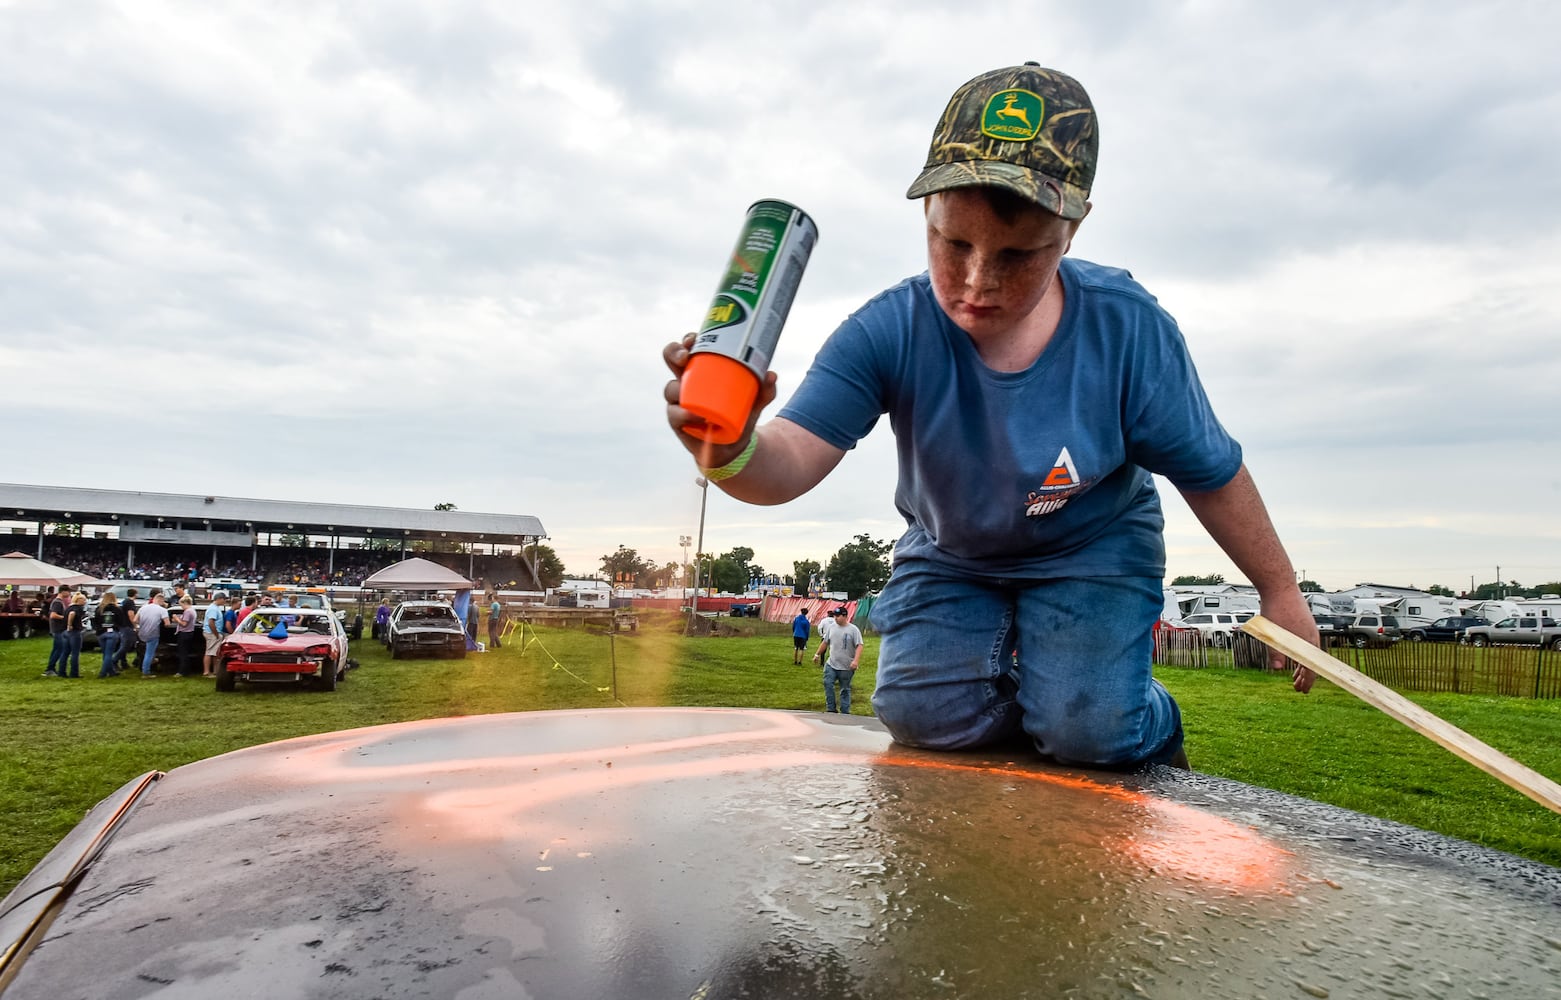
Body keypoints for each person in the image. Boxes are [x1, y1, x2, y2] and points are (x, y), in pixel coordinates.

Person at [662, 64, 1318, 771]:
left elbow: (1212, 472)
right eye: (954, 245)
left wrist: (1279, 592)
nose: (977, 281)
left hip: (1091, 548)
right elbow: (786, 463)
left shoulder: (1127, 332)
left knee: (1090, 733)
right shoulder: (889, 329)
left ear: (1069, 229)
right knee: (920, 717)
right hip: (951, 552)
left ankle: (1134, 715)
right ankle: (1040, 706)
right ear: (926, 214)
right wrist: (728, 443)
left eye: (1017, 255)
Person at [813, 607, 863, 713]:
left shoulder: (853, 630)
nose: (835, 618)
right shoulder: (832, 628)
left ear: (845, 616)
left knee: (844, 689)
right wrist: (817, 654)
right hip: (832, 663)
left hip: (846, 666)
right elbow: (825, 642)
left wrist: (855, 661)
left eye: (838, 616)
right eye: (835, 616)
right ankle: (831, 709)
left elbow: (859, 645)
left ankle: (845, 712)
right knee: (827, 683)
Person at [43, 585, 72, 678]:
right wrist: (65, 618)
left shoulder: (59, 601)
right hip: (57, 629)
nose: (69, 594)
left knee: (56, 649)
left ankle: (51, 668)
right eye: (68, 592)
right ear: (63, 591)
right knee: (59, 650)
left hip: (58, 629)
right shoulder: (57, 602)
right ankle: (50, 668)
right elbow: (53, 615)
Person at [61, 592, 89, 678]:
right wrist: (70, 624)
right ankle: (74, 673)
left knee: (65, 653)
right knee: (75, 653)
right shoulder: (78, 608)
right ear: (78, 600)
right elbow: (72, 614)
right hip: (74, 632)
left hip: (65, 632)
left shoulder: (68, 608)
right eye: (83, 600)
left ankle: (61, 671)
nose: (85, 601)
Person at [172, 596, 200, 676]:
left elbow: (184, 624)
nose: (182, 607)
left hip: (184, 633)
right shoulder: (192, 611)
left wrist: (176, 619)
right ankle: (186, 669)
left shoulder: (187, 612)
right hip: (189, 633)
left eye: (181, 605)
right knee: (186, 652)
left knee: (182, 653)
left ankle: (182, 671)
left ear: (185, 603)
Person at [203, 593, 228, 677]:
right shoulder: (213, 609)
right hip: (212, 633)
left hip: (214, 632)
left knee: (215, 653)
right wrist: (216, 634)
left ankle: (215, 671)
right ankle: (206, 672)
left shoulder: (215, 608)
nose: (225, 601)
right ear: (220, 599)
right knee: (209, 652)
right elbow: (211, 622)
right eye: (224, 599)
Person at [115, 587, 140, 673]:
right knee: (126, 645)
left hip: (122, 626)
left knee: (124, 645)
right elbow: (131, 615)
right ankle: (114, 660)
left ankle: (123, 662)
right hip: (127, 626)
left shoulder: (124, 601)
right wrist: (135, 625)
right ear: (135, 594)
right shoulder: (130, 602)